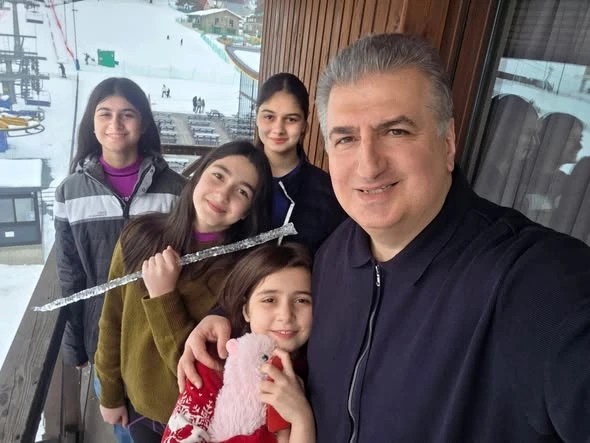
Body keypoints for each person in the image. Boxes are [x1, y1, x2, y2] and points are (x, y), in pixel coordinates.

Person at [178, 34, 590, 442]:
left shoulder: (535, 282)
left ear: (448, 143)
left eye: (395, 132)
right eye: (346, 138)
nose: (369, 165)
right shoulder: (334, 254)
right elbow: (280, 278)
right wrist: (222, 314)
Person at [94, 141, 273, 442]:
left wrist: (164, 297)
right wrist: (110, 394)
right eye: (218, 175)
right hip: (136, 406)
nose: (223, 194)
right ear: (197, 176)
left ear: (248, 211)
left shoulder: (243, 274)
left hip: (193, 421)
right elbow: (112, 320)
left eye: (242, 192)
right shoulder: (138, 235)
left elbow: (203, 367)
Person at [54, 77, 186, 443]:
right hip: (103, 340)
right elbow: (70, 273)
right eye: (105, 114)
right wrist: (74, 345)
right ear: (92, 123)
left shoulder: (175, 190)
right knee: (125, 430)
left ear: (143, 124)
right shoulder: (70, 193)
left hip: (158, 338)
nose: (116, 124)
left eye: (127, 114)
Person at [162, 243, 315, 442]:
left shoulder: (318, 372)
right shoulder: (215, 364)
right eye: (269, 300)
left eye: (302, 300)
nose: (286, 315)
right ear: (246, 310)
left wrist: (302, 419)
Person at [253, 72, 346, 253]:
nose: (278, 129)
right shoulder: (235, 177)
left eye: (291, 119)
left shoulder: (326, 191)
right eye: (269, 117)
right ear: (257, 117)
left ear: (304, 124)